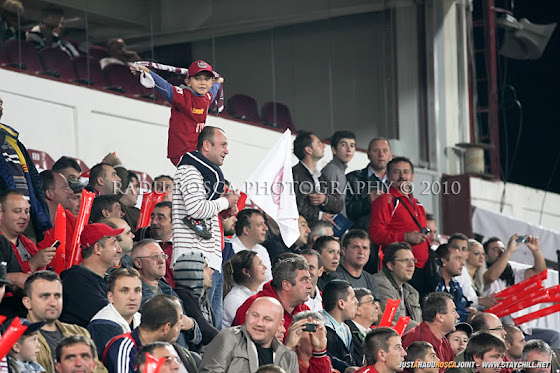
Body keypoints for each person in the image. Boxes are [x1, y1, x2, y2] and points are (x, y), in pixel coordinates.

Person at [171, 126, 239, 330]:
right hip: (194, 262)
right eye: (223, 145)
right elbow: (195, 208)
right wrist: (224, 202)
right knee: (202, 325)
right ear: (207, 145)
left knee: (213, 325)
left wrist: (224, 210)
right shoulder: (189, 170)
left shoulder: (203, 173)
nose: (227, 151)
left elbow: (204, 210)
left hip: (210, 261)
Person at [133, 61, 222, 164]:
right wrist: (148, 72)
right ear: (188, 82)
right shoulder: (182, 96)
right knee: (214, 173)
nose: (202, 83)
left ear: (211, 82)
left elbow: (214, 90)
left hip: (194, 153)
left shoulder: (207, 97)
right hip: (182, 154)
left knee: (208, 174)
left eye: (206, 79)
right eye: (197, 79)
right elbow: (166, 88)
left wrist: (218, 82)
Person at [369, 157, 433, 299]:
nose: (402, 176)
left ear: (412, 176)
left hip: (423, 269)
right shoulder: (385, 200)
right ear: (388, 176)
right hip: (402, 271)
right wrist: (405, 237)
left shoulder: (418, 204)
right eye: (397, 172)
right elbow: (375, 234)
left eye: (406, 172)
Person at [22, 271, 107, 373]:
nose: (53, 303)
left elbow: (98, 369)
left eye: (57, 296)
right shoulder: (21, 338)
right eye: (45, 296)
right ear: (28, 302)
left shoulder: (79, 332)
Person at [482, 235, 559, 347]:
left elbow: (539, 273)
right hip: (499, 327)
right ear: (486, 257)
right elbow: (491, 277)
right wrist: (508, 251)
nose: (501, 252)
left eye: (502, 249)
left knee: (555, 337)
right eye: (495, 249)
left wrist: (536, 250)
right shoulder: (484, 271)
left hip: (520, 329)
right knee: (507, 319)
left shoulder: (513, 273)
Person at [199, 297, 298, 373]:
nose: (259, 323)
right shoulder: (228, 338)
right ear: (247, 314)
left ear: (280, 324)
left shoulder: (289, 356)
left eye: (267, 319)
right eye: (255, 315)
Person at [60, 223, 123, 327]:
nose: (119, 249)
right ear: (98, 248)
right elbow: (111, 315)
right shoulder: (74, 281)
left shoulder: (104, 279)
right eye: (113, 243)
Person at [102, 295, 184, 373]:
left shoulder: (173, 350)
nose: (182, 324)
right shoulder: (123, 347)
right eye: (180, 318)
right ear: (166, 327)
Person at [233, 256, 312, 334]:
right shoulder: (254, 306)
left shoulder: (304, 310)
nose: (310, 286)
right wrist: (288, 345)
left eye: (309, 280)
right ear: (286, 285)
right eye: (304, 280)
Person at [87, 268, 142, 359]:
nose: (133, 297)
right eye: (125, 291)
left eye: (137, 291)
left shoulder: (141, 319)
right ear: (110, 297)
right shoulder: (102, 325)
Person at [292, 131, 343, 225]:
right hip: (304, 229)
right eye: (319, 144)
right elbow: (293, 206)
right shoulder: (293, 174)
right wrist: (318, 215)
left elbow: (339, 204)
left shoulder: (321, 177)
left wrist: (325, 199)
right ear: (308, 150)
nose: (323, 146)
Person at [0, 190, 57, 274]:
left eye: (27, 212)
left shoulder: (28, 244)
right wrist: (34, 263)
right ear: (1, 214)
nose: (24, 217)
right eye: (17, 211)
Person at [173, 252, 219, 352]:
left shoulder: (203, 299)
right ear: (193, 272)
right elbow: (205, 331)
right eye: (206, 267)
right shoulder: (183, 297)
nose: (211, 271)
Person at [372, 242, 421, 331]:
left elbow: (418, 320)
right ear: (390, 265)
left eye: (413, 260)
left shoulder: (412, 291)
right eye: (405, 260)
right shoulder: (380, 283)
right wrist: (422, 329)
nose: (411, 265)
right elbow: (394, 318)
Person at [346, 138, 392, 231]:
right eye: (376, 150)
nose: (381, 154)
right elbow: (346, 210)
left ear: (390, 155)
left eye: (385, 150)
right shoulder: (354, 178)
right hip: (363, 237)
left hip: (391, 238)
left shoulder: (398, 182)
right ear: (368, 155)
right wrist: (367, 202)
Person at [401, 292, 457, 367]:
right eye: (453, 311)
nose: (457, 316)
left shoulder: (443, 341)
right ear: (440, 317)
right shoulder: (418, 340)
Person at [319, 279, 359, 372]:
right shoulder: (321, 328)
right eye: (353, 298)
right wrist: (345, 368)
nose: (356, 302)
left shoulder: (346, 328)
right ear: (341, 303)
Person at [222, 250, 267, 328]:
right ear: (246, 272)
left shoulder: (260, 292)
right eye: (260, 264)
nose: (265, 267)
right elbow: (251, 328)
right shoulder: (234, 298)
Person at [321, 131, 357, 217]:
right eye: (343, 145)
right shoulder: (331, 170)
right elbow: (327, 204)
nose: (349, 149)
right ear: (333, 149)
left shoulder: (339, 171)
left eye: (352, 145)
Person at [230, 209, 273, 281]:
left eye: (264, 224)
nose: (266, 228)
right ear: (246, 230)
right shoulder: (230, 248)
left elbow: (268, 280)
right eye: (260, 225)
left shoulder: (262, 250)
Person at [434, 244, 473, 322]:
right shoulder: (434, 286)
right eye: (458, 259)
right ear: (444, 261)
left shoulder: (456, 286)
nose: (462, 263)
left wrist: (472, 314)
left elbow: (461, 308)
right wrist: (469, 317)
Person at [346, 288, 380, 367]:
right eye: (371, 302)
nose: (376, 306)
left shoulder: (373, 333)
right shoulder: (348, 333)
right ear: (357, 308)